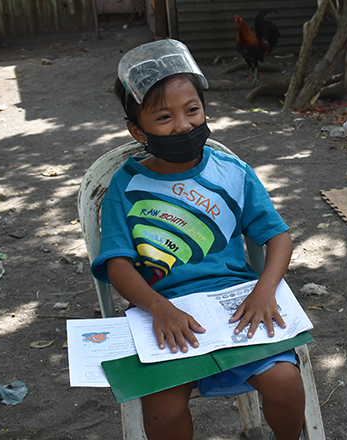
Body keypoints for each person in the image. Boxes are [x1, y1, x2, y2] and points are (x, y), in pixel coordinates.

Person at [91, 39, 304, 440]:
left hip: (236, 305)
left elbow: (277, 236)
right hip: (162, 310)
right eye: (164, 117)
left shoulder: (233, 171)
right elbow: (117, 263)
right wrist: (157, 307)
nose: (184, 125)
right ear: (137, 130)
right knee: (162, 408)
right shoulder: (126, 185)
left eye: (193, 110)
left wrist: (264, 290)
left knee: (286, 383)